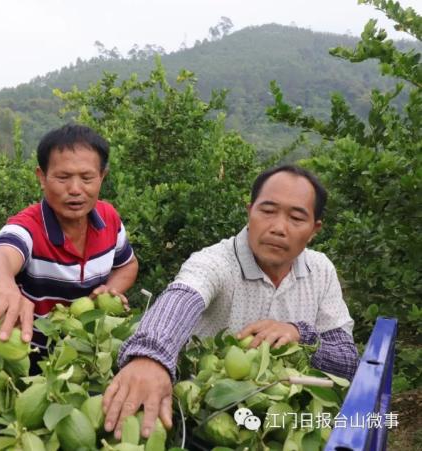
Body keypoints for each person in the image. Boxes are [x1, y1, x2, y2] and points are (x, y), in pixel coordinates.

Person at [102, 165, 358, 440]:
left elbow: (346, 359)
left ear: (314, 229)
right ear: (250, 211)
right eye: (267, 211)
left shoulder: (320, 271)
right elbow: (182, 297)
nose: (278, 228)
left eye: (296, 218)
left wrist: (300, 334)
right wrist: (150, 356)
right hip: (208, 424)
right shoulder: (217, 262)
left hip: (281, 426)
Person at [0, 124, 139, 344]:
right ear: (42, 177)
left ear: (102, 176)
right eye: (63, 178)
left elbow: (128, 265)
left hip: (88, 353)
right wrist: (5, 288)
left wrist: (110, 290)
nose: (75, 189)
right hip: (29, 356)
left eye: (87, 178)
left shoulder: (108, 219)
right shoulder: (28, 227)